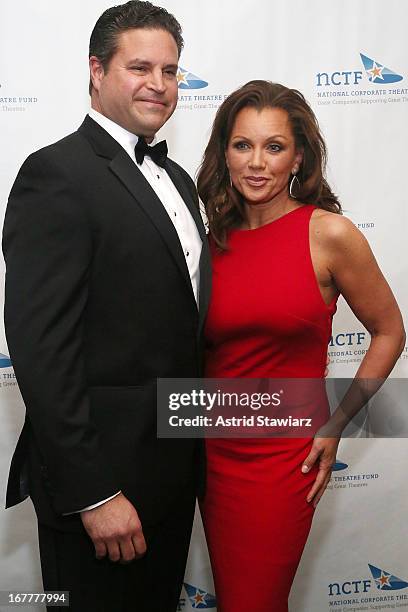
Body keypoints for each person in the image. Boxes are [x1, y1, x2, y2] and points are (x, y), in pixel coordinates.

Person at [2, 2, 210, 611]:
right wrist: (94, 494)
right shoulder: (55, 175)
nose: (160, 85)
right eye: (140, 67)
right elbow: (43, 351)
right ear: (97, 71)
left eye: (171, 71)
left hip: (173, 474)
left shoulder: (178, 180)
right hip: (103, 489)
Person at [197, 80, 405, 611]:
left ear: (298, 157)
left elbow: (390, 331)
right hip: (210, 451)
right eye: (242, 145)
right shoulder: (210, 240)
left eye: (274, 147)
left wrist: (338, 423)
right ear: (224, 152)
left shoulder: (328, 234)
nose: (256, 163)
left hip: (283, 458)